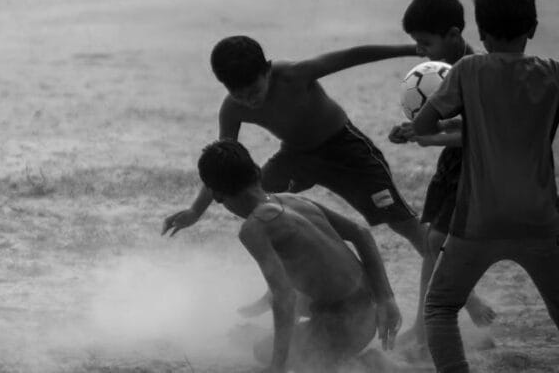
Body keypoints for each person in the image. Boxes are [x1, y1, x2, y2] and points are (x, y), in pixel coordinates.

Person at [415, 0, 559, 373]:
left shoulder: (468, 71)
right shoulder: (554, 74)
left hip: (478, 222)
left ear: (483, 34)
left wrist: (459, 129)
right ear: (533, 29)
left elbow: (423, 127)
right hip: (540, 221)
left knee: (440, 307)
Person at [163, 35, 427, 258]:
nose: (248, 100)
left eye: (254, 91)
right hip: (296, 157)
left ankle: (453, 293)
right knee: (250, 201)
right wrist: (195, 211)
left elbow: (354, 55)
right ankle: (301, 278)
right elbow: (222, 165)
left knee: (403, 224)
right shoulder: (232, 109)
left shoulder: (294, 75)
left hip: (346, 151)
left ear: (267, 70)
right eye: (239, 95)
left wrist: (413, 49)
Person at [197, 139, 403, 372]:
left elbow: (284, 297)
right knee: (257, 333)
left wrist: (278, 365)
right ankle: (307, 339)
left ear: (217, 195)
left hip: (348, 326)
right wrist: (386, 298)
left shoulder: (255, 228)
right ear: (255, 172)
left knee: (261, 350)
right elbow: (361, 234)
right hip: (366, 306)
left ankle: (366, 363)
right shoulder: (292, 200)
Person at [387, 0, 495, 355]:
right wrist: (416, 129)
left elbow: (478, 133)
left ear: (453, 34)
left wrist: (428, 138)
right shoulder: (438, 71)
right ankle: (424, 326)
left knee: (439, 244)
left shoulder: (477, 70)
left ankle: (434, 328)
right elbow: (451, 123)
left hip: (476, 169)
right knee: (433, 241)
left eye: (424, 42)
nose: (419, 52)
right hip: (452, 166)